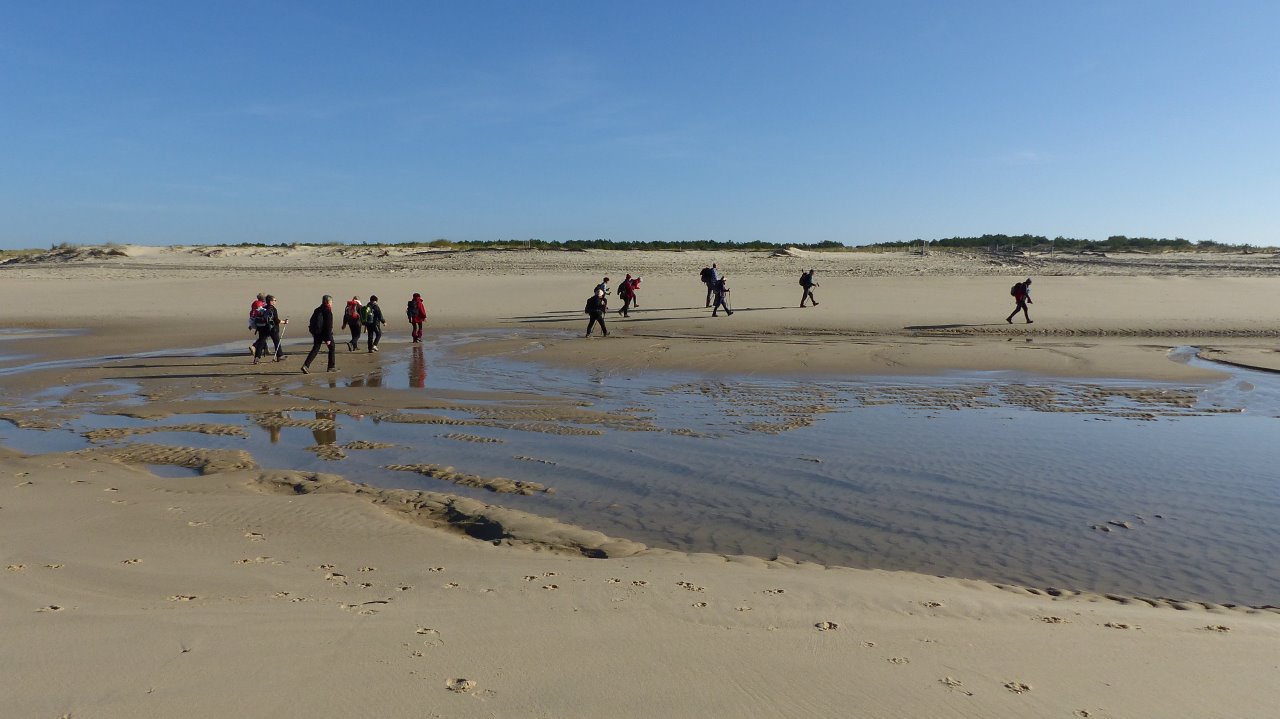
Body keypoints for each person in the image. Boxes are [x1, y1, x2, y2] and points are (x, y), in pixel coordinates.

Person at [301, 295, 336, 374]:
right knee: (332, 347)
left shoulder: (317, 309)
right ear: (328, 302)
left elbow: (312, 320)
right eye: (331, 302)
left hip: (316, 332)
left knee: (316, 348)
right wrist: (328, 339)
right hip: (324, 333)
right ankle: (331, 367)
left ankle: (306, 365)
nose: (332, 303)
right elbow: (328, 326)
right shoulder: (328, 311)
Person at [250, 296, 276, 365]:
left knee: (261, 341)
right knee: (265, 340)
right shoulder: (267, 307)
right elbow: (272, 318)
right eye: (274, 300)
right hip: (266, 326)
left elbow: (253, 313)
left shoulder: (256, 304)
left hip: (258, 325)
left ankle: (257, 358)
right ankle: (254, 346)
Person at [267, 295, 288, 361]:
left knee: (263, 340)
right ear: (271, 301)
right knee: (277, 342)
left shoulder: (265, 307)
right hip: (273, 328)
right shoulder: (273, 309)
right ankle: (280, 355)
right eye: (274, 300)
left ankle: (279, 355)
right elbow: (276, 320)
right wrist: (284, 321)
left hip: (267, 327)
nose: (275, 301)